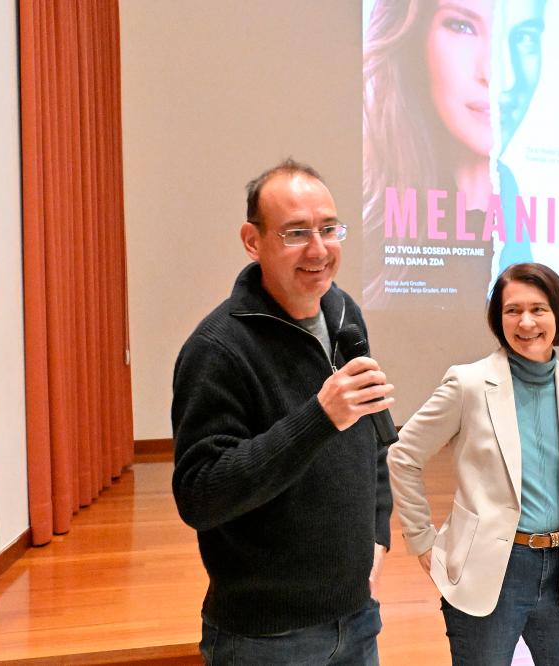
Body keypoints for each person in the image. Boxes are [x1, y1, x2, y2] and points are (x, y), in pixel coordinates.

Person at [171, 159, 394, 665]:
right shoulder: (218, 349)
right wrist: (319, 418)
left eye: (329, 229)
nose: (319, 250)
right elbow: (201, 494)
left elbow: (372, 440)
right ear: (252, 241)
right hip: (266, 638)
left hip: (358, 619)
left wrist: (377, 535)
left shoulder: (344, 313)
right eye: (296, 233)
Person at [387, 262, 559, 665]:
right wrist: (421, 539)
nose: (526, 322)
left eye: (538, 309)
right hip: (491, 573)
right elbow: (403, 456)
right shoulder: (468, 384)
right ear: (498, 318)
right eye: (513, 310)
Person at [362, 0, 546, 308]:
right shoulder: (368, 198)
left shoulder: (506, 189)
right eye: (462, 26)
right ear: (414, 40)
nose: (499, 76)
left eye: (524, 37)